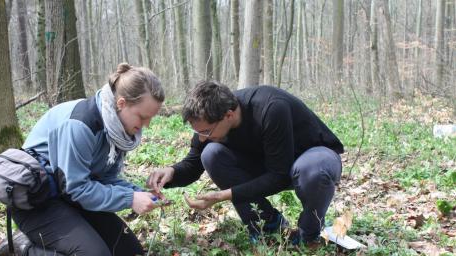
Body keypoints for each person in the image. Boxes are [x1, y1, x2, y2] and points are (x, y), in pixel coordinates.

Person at [0, 63, 166, 256]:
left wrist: (138, 193)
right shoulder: (81, 124)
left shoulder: (117, 130)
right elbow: (77, 189)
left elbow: (106, 179)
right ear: (121, 103)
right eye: (143, 116)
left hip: (68, 197)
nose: (146, 124)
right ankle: (22, 247)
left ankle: (59, 238)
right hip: (38, 202)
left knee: (129, 252)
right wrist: (130, 200)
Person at [147, 81, 343, 245]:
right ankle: (267, 226)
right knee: (211, 154)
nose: (202, 138)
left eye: (205, 132)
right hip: (268, 163)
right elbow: (193, 164)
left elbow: (279, 175)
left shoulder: (271, 107)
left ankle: (309, 234)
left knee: (312, 171)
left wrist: (225, 195)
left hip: (311, 157)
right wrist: (171, 172)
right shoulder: (209, 118)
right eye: (198, 133)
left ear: (229, 115)